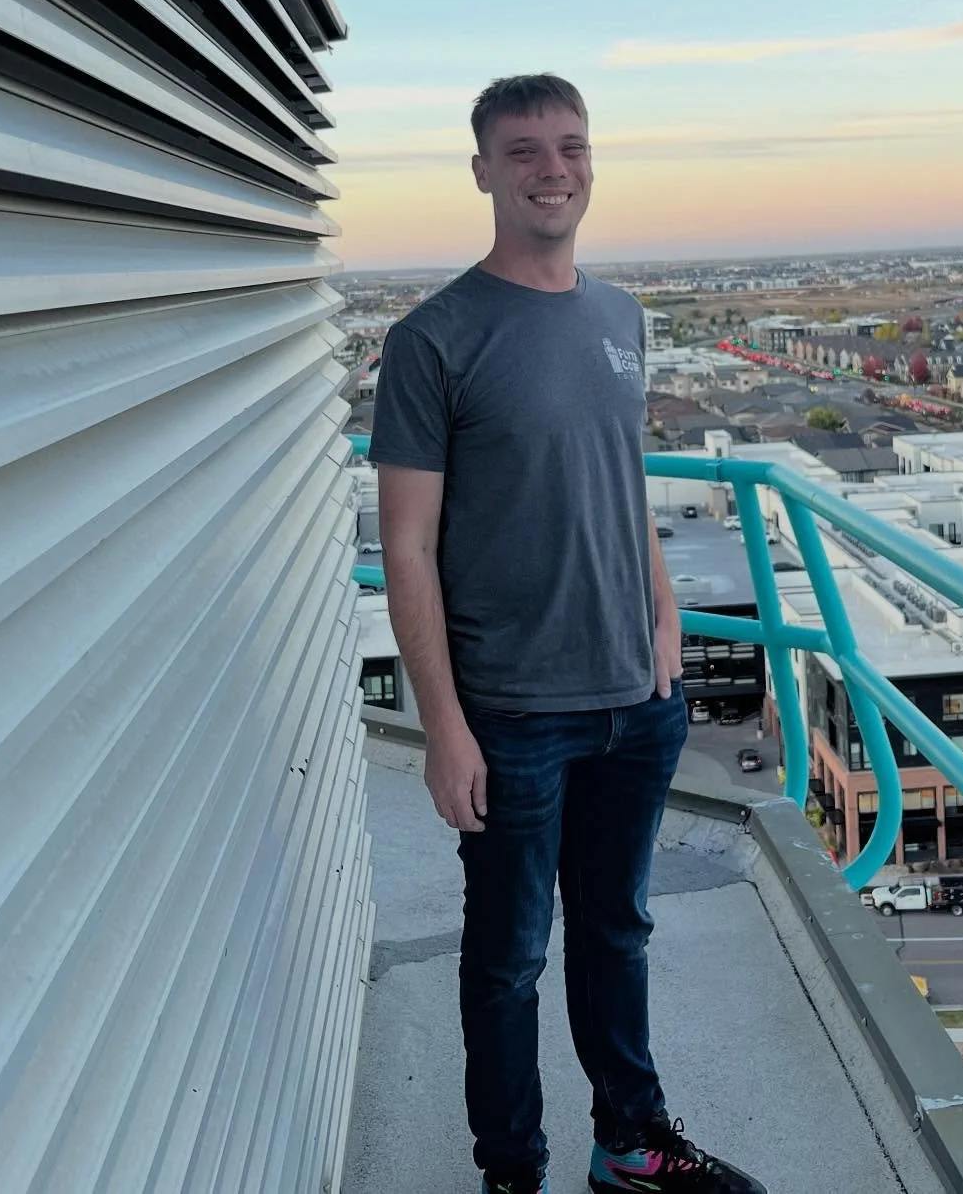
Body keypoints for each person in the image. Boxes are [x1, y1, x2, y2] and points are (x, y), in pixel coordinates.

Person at [371, 75, 766, 1194]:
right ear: (484, 171)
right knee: (504, 965)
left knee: (617, 935)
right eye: (527, 150)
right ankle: (512, 1171)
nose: (555, 167)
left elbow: (621, 479)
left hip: (634, 700)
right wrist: (443, 727)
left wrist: (666, 612)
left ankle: (630, 1144)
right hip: (510, 713)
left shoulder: (621, 315)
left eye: (572, 146)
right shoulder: (433, 339)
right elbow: (407, 548)